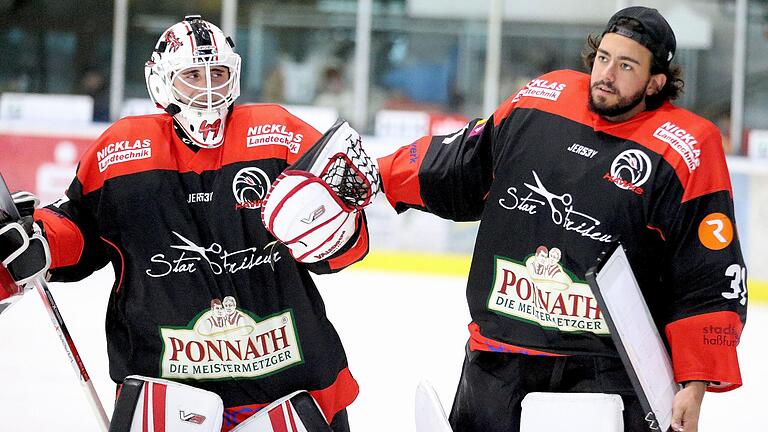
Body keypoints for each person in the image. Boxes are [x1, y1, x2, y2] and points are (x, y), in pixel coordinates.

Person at [376, 6, 746, 432]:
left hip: (607, 371)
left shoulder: (685, 148)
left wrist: (694, 381)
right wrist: (378, 173)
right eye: (604, 58)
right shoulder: (542, 99)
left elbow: (707, 271)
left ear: (656, 82)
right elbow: (464, 162)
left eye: (627, 65)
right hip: (501, 353)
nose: (607, 73)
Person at [0, 15, 371, 431]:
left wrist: (340, 228)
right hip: (167, 391)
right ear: (161, 82)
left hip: (287, 383)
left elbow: (342, 249)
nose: (209, 87)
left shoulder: (279, 133)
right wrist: (42, 242)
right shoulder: (121, 150)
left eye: (218, 72)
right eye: (193, 74)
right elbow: (80, 229)